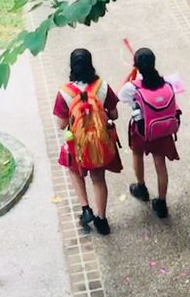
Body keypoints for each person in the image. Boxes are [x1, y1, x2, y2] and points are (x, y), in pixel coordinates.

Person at [54, 48, 121, 235]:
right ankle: (101, 219)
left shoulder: (65, 92)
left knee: (74, 172)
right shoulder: (102, 86)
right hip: (99, 144)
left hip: (77, 145)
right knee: (98, 179)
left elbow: (61, 124)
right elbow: (114, 114)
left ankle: (85, 209)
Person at [120, 47, 180, 218]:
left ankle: (141, 187)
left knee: (137, 155)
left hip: (142, 129)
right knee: (160, 165)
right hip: (162, 130)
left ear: (136, 66)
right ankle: (161, 203)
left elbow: (121, 96)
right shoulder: (167, 83)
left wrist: (129, 76)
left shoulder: (132, 87)